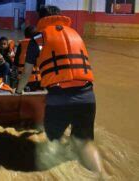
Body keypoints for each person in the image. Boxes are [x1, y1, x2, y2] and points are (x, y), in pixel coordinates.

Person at [15, 5, 107, 177]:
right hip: (88, 97)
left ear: (40, 20)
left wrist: (18, 91)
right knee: (85, 143)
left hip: (59, 99)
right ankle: (102, 176)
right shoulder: (76, 34)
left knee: (53, 140)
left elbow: (26, 73)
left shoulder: (38, 39)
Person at [13, 25, 41, 91]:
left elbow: (16, 61)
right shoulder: (39, 44)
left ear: (25, 35)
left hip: (23, 80)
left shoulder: (21, 44)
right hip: (38, 79)